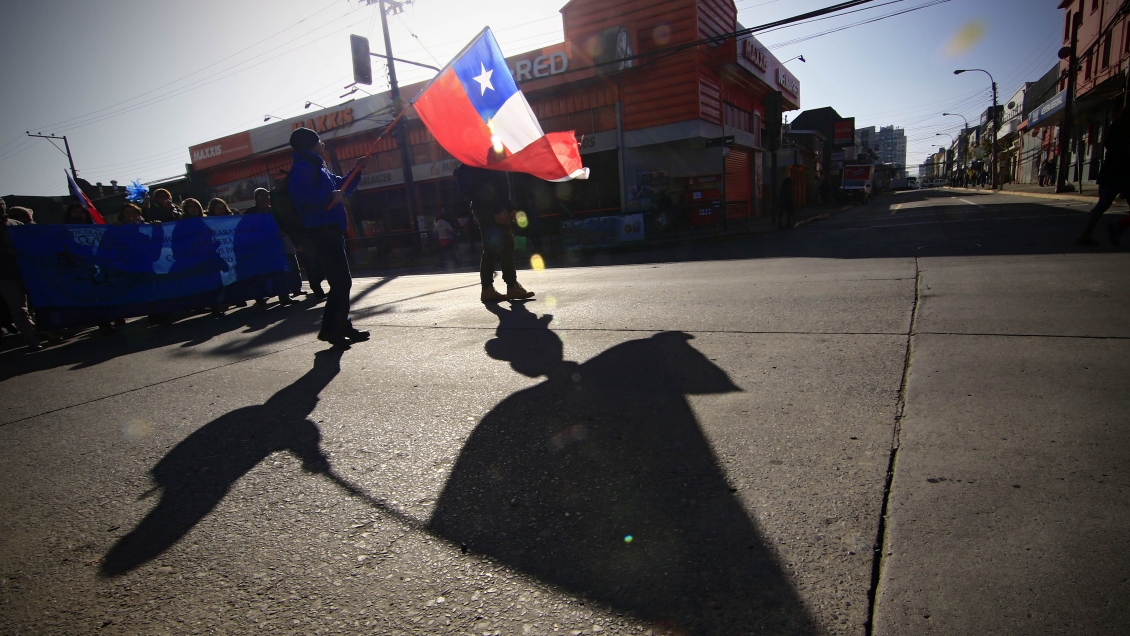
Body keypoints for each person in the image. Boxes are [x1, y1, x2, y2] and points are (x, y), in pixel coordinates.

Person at [287, 127, 369, 346]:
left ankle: (340, 325)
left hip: (329, 231)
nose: (323, 145)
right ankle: (331, 329)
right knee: (341, 281)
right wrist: (327, 196)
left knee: (341, 281)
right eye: (320, 142)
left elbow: (342, 187)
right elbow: (300, 195)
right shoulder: (304, 167)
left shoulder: (317, 167)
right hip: (320, 231)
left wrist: (357, 170)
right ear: (311, 144)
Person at [453, 165, 535, 303]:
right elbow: (487, 186)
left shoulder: (484, 159)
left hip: (489, 207)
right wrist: (498, 210)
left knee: (496, 246)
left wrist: (509, 208)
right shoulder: (483, 159)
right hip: (490, 208)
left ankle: (490, 289)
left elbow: (496, 188)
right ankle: (508, 286)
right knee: (504, 245)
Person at [1078, 107, 1130, 246]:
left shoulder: (1114, 127)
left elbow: (1107, 145)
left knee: (1102, 205)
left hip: (1109, 172)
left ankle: (1085, 234)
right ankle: (1119, 227)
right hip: (1125, 173)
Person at [244, 188, 297, 307]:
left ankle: (284, 296)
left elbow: (283, 224)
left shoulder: (274, 211)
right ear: (256, 197)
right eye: (263, 195)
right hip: (260, 248)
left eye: (267, 195)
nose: (266, 198)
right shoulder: (250, 212)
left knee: (280, 272)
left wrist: (283, 231)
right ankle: (260, 296)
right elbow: (246, 229)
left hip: (277, 246)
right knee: (262, 274)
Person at [0, 204, 40, 350]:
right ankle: (31, 338)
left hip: (26, 270)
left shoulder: (15, 224)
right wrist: (5, 252)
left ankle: (43, 331)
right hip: (6, 275)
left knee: (37, 303)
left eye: (1, 205)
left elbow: (30, 243)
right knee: (18, 308)